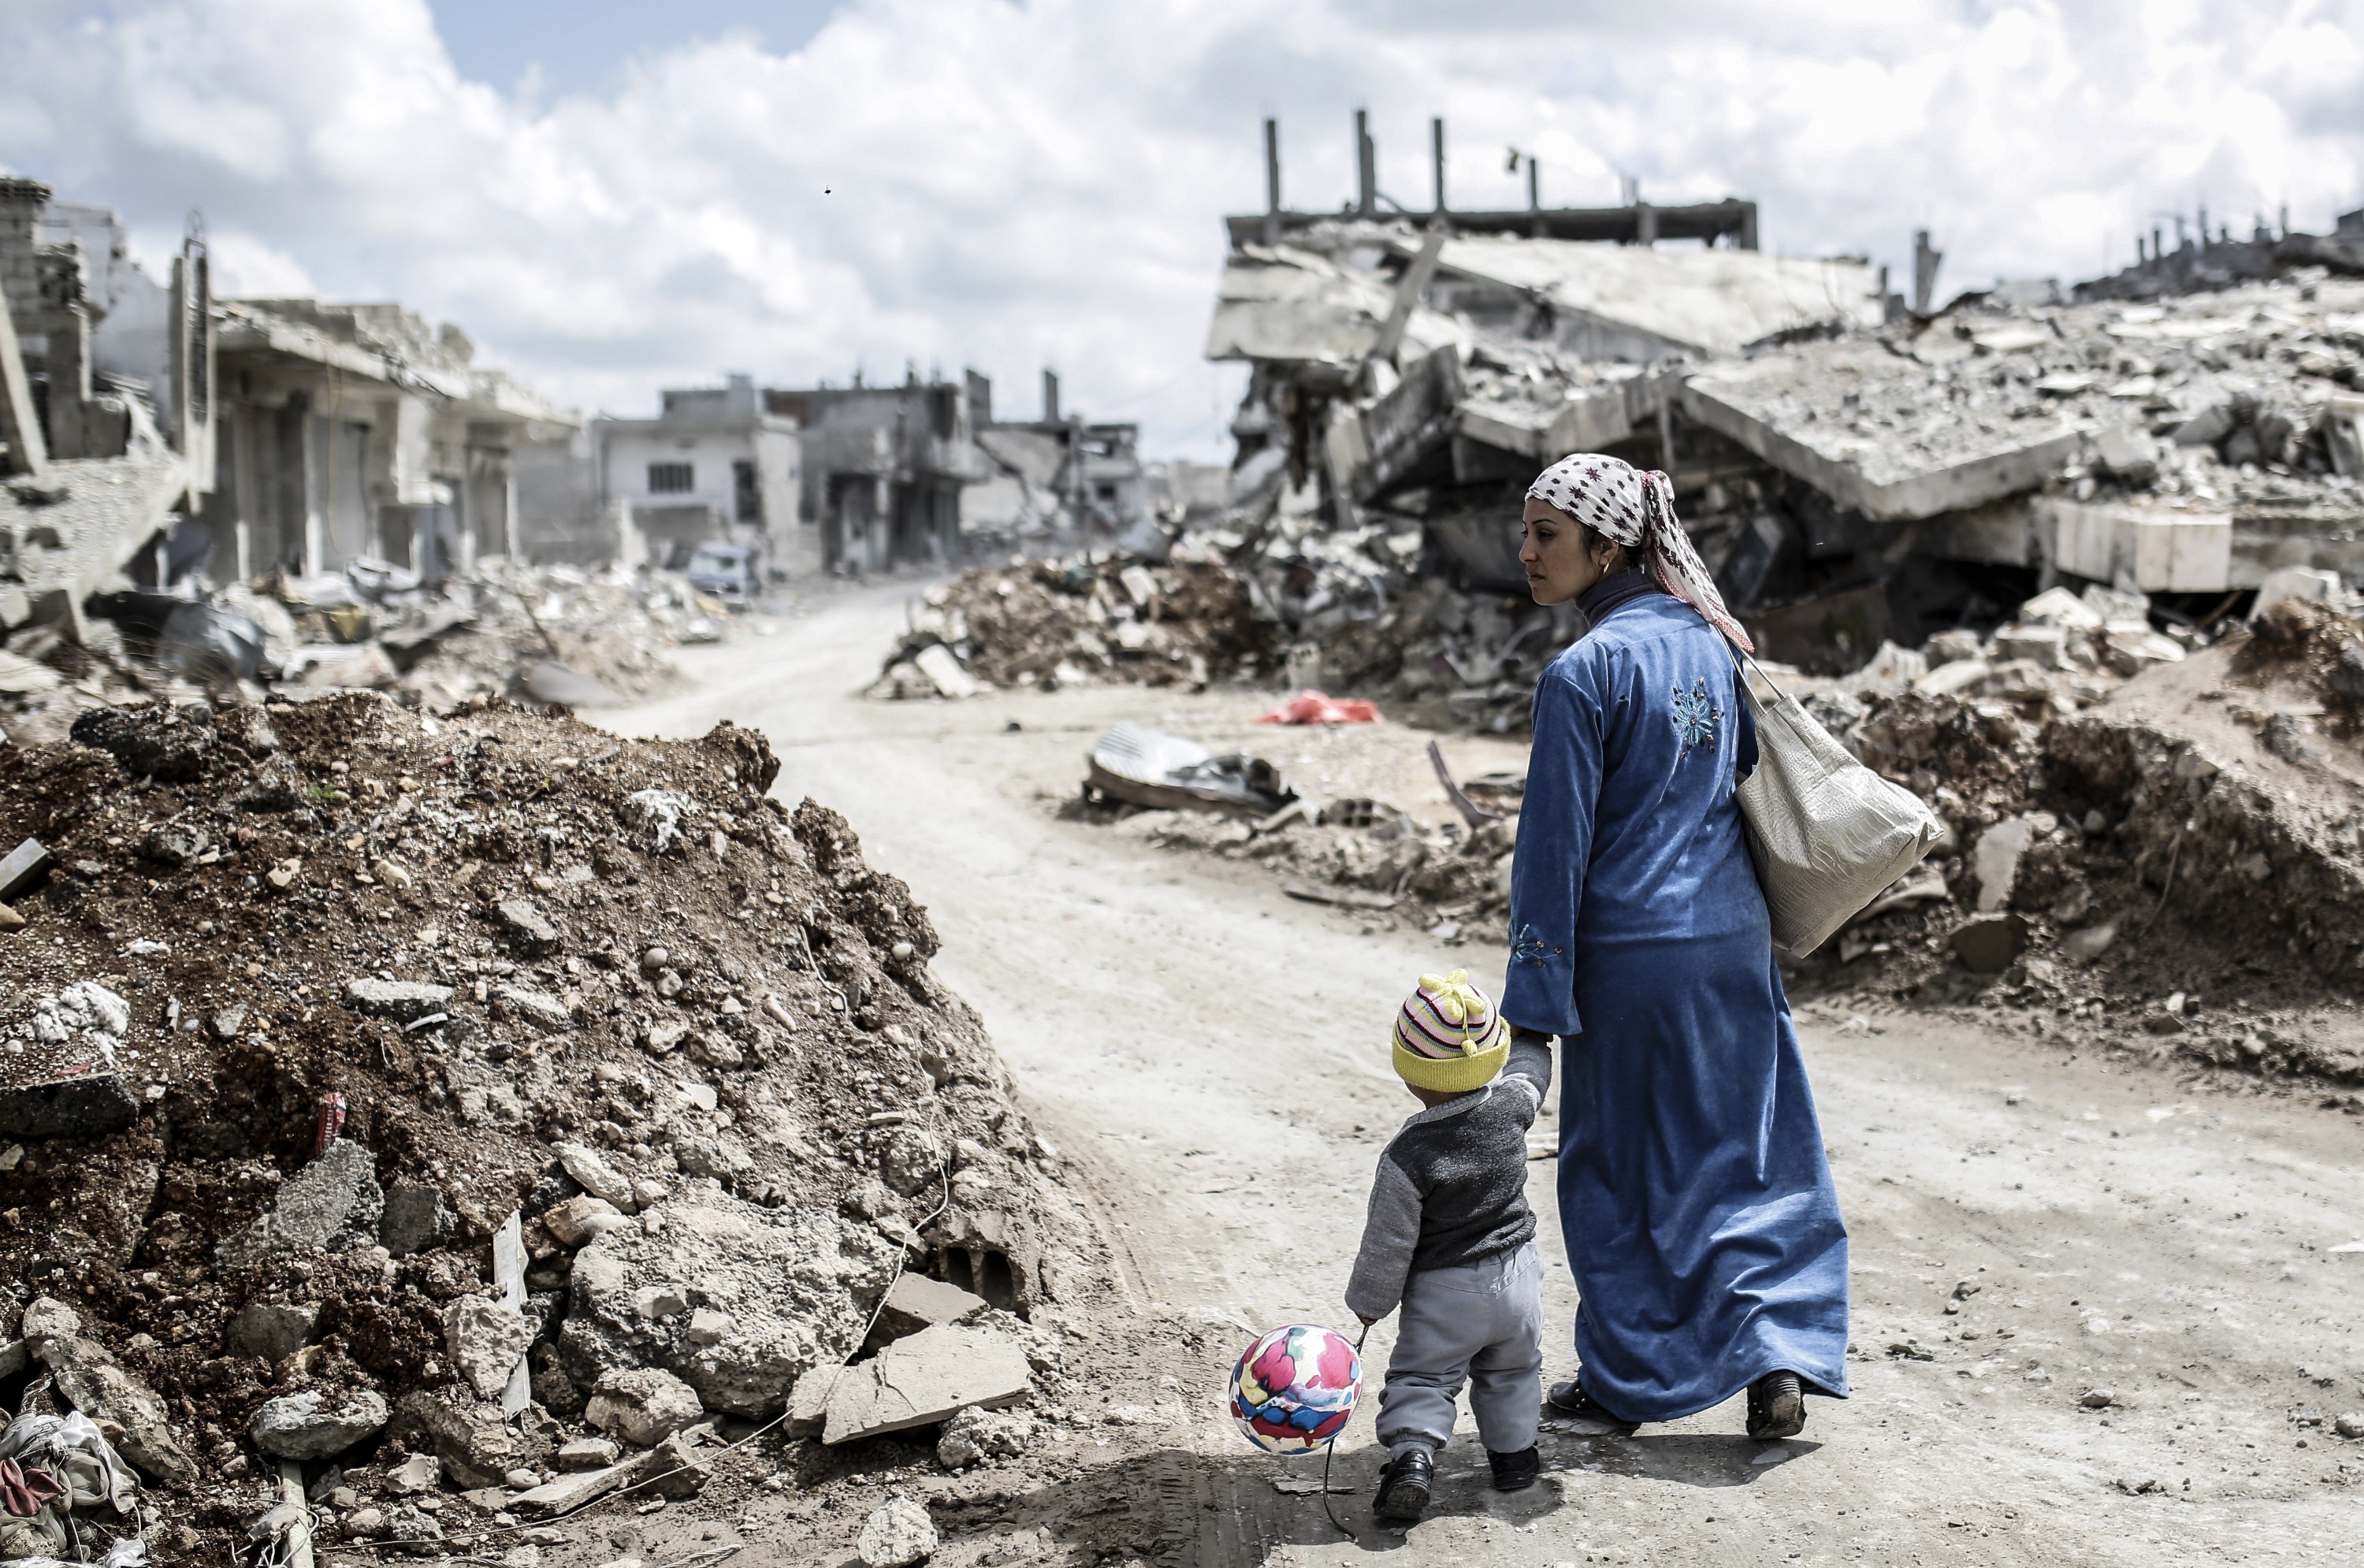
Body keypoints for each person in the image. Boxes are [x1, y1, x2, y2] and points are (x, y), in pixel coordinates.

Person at [1502, 452, 1849, 1444]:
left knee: (1620, 1171)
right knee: (1748, 1156)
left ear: (1608, 546)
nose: (1527, 553)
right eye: (1525, 533)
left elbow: (1553, 852)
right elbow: (1736, 776)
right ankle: (1775, 1351)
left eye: (1548, 536)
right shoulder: (1712, 642)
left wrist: (1534, 1004)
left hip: (1631, 957)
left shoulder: (1580, 673)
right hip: (1732, 945)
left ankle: (1627, 1378)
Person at [1344, 968, 1551, 1523]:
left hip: (1446, 1291)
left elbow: (1388, 1241)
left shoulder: (1408, 1153)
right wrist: (1533, 1039)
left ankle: (1413, 1458)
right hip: (1518, 1276)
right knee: (1513, 1371)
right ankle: (1515, 1460)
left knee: (1424, 1378)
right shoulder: (1511, 1107)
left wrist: (1369, 1305)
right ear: (1491, 1059)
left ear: (1411, 1073)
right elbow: (1532, 1075)